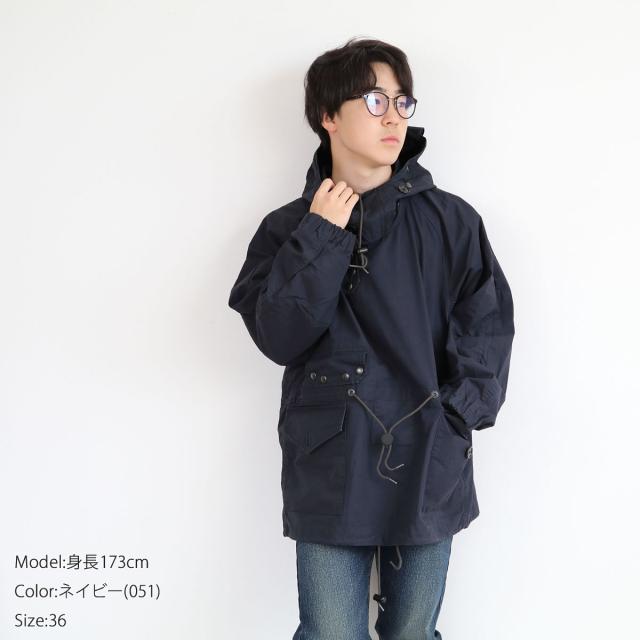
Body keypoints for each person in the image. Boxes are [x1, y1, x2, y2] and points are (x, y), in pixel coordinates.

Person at [228, 36, 515, 639]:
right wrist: (321, 233)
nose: (393, 117)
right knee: (331, 633)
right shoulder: (288, 229)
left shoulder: (451, 221)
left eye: (402, 101)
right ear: (328, 116)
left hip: (430, 452)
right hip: (328, 460)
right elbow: (280, 336)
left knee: (412, 634)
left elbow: (487, 324)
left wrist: (458, 415)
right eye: (374, 100)